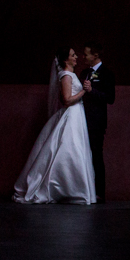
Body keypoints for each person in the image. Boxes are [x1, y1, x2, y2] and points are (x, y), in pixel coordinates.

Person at [12, 47, 97, 204]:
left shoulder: (70, 75)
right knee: (70, 149)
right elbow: (67, 100)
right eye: (73, 55)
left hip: (77, 115)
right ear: (66, 60)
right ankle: (63, 188)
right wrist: (83, 92)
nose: (76, 57)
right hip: (72, 115)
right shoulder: (66, 75)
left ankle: (75, 189)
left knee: (76, 149)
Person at [81, 43, 115, 203]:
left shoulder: (107, 73)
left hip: (96, 122)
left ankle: (99, 193)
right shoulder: (84, 73)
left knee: (96, 155)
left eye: (86, 54)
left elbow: (110, 98)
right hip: (81, 120)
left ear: (95, 55)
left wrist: (92, 91)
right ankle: (84, 190)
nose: (83, 56)